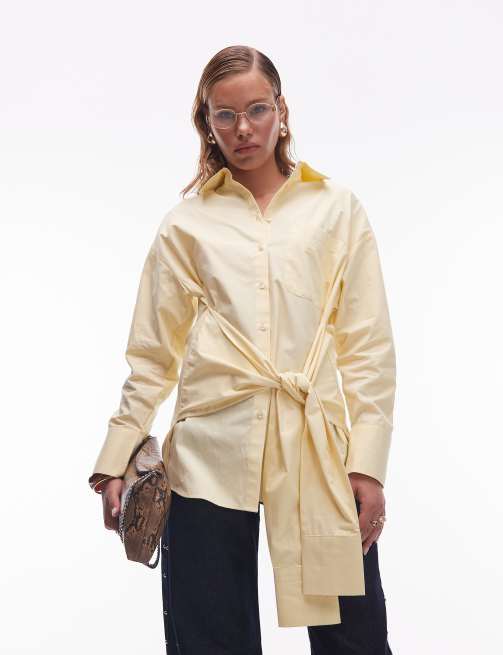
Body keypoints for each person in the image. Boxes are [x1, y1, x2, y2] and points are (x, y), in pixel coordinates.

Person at [89, 44, 396, 655]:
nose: (243, 129)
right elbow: (152, 355)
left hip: (315, 450)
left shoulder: (337, 210)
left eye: (257, 109)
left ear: (281, 109)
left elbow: (367, 348)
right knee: (208, 640)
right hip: (207, 453)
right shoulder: (186, 225)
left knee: (354, 640)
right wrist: (115, 459)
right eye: (224, 115)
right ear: (206, 122)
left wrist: (367, 464)